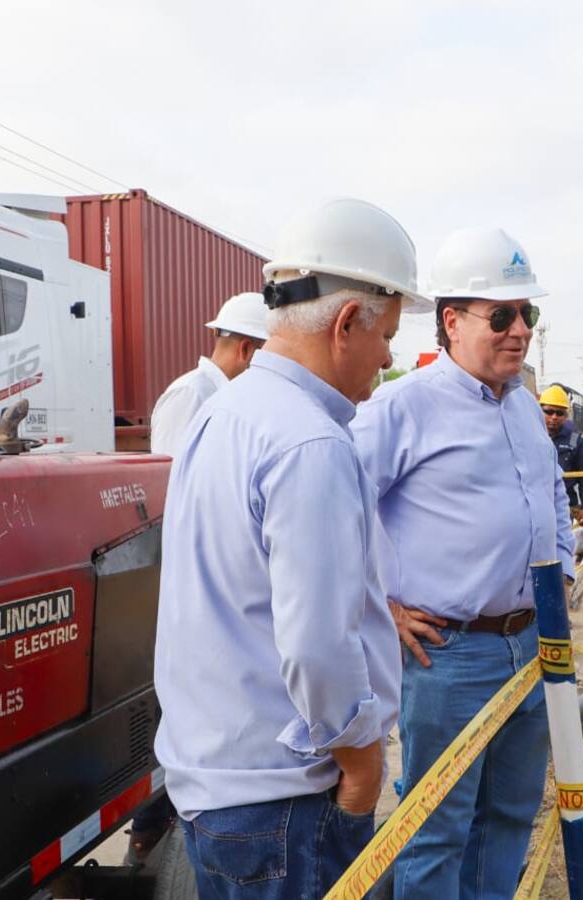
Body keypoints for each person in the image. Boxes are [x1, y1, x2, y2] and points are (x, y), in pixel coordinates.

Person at [153, 198, 432, 899]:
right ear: (346, 324)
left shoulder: (223, 414)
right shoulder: (308, 442)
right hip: (283, 802)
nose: (389, 356)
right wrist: (364, 766)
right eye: (387, 334)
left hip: (219, 785)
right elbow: (317, 646)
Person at [352, 226, 574, 899]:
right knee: (437, 828)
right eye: (501, 316)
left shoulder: (526, 410)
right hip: (448, 655)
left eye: (526, 315)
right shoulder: (401, 407)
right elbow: (332, 514)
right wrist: (381, 606)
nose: (519, 331)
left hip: (531, 647)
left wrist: (561, 573)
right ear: (451, 321)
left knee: (507, 816)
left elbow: (554, 503)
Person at [149, 291, 269, 455]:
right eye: (269, 355)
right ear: (246, 349)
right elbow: (169, 470)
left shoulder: (230, 395)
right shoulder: (191, 394)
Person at [540, 384, 583, 526]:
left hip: (564, 506)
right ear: (539, 410)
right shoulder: (529, 435)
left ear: (566, 415)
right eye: (549, 411)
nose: (554, 417)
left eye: (559, 413)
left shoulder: (575, 440)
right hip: (536, 504)